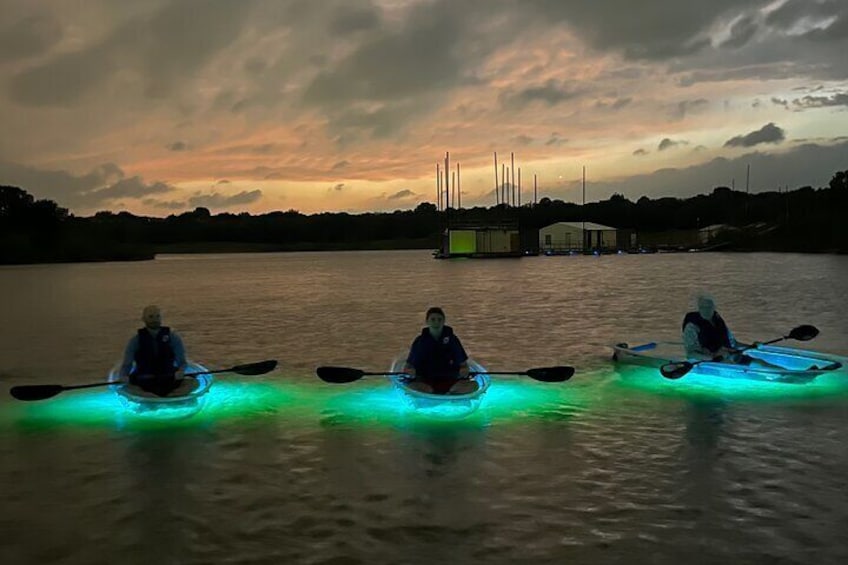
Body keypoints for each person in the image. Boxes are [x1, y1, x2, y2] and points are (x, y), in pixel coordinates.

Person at [402, 307, 476, 395]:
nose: (436, 322)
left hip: (451, 381)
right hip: (426, 382)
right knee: (411, 387)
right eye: (433, 319)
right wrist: (410, 371)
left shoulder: (452, 339)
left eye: (439, 319)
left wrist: (464, 370)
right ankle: (436, 395)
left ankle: (449, 394)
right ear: (427, 321)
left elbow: (463, 364)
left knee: (474, 385)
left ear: (444, 321)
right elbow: (408, 366)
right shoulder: (420, 341)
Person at [119, 305, 189, 397]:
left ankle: (170, 396)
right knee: (125, 388)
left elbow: (182, 362)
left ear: (161, 318)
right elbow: (127, 364)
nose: (154, 320)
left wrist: (181, 371)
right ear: (143, 319)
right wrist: (124, 376)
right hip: (143, 381)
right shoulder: (135, 340)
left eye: (157, 316)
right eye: (151, 317)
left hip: (168, 378)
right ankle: (151, 396)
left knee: (193, 383)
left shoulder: (173, 337)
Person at [682, 294, 746, 362]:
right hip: (704, 362)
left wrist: (752, 346)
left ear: (714, 307)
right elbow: (691, 354)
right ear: (699, 308)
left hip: (727, 356)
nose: (705, 310)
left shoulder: (717, 320)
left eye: (709, 307)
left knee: (754, 362)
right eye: (702, 307)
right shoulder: (692, 326)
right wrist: (714, 356)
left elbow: (733, 343)